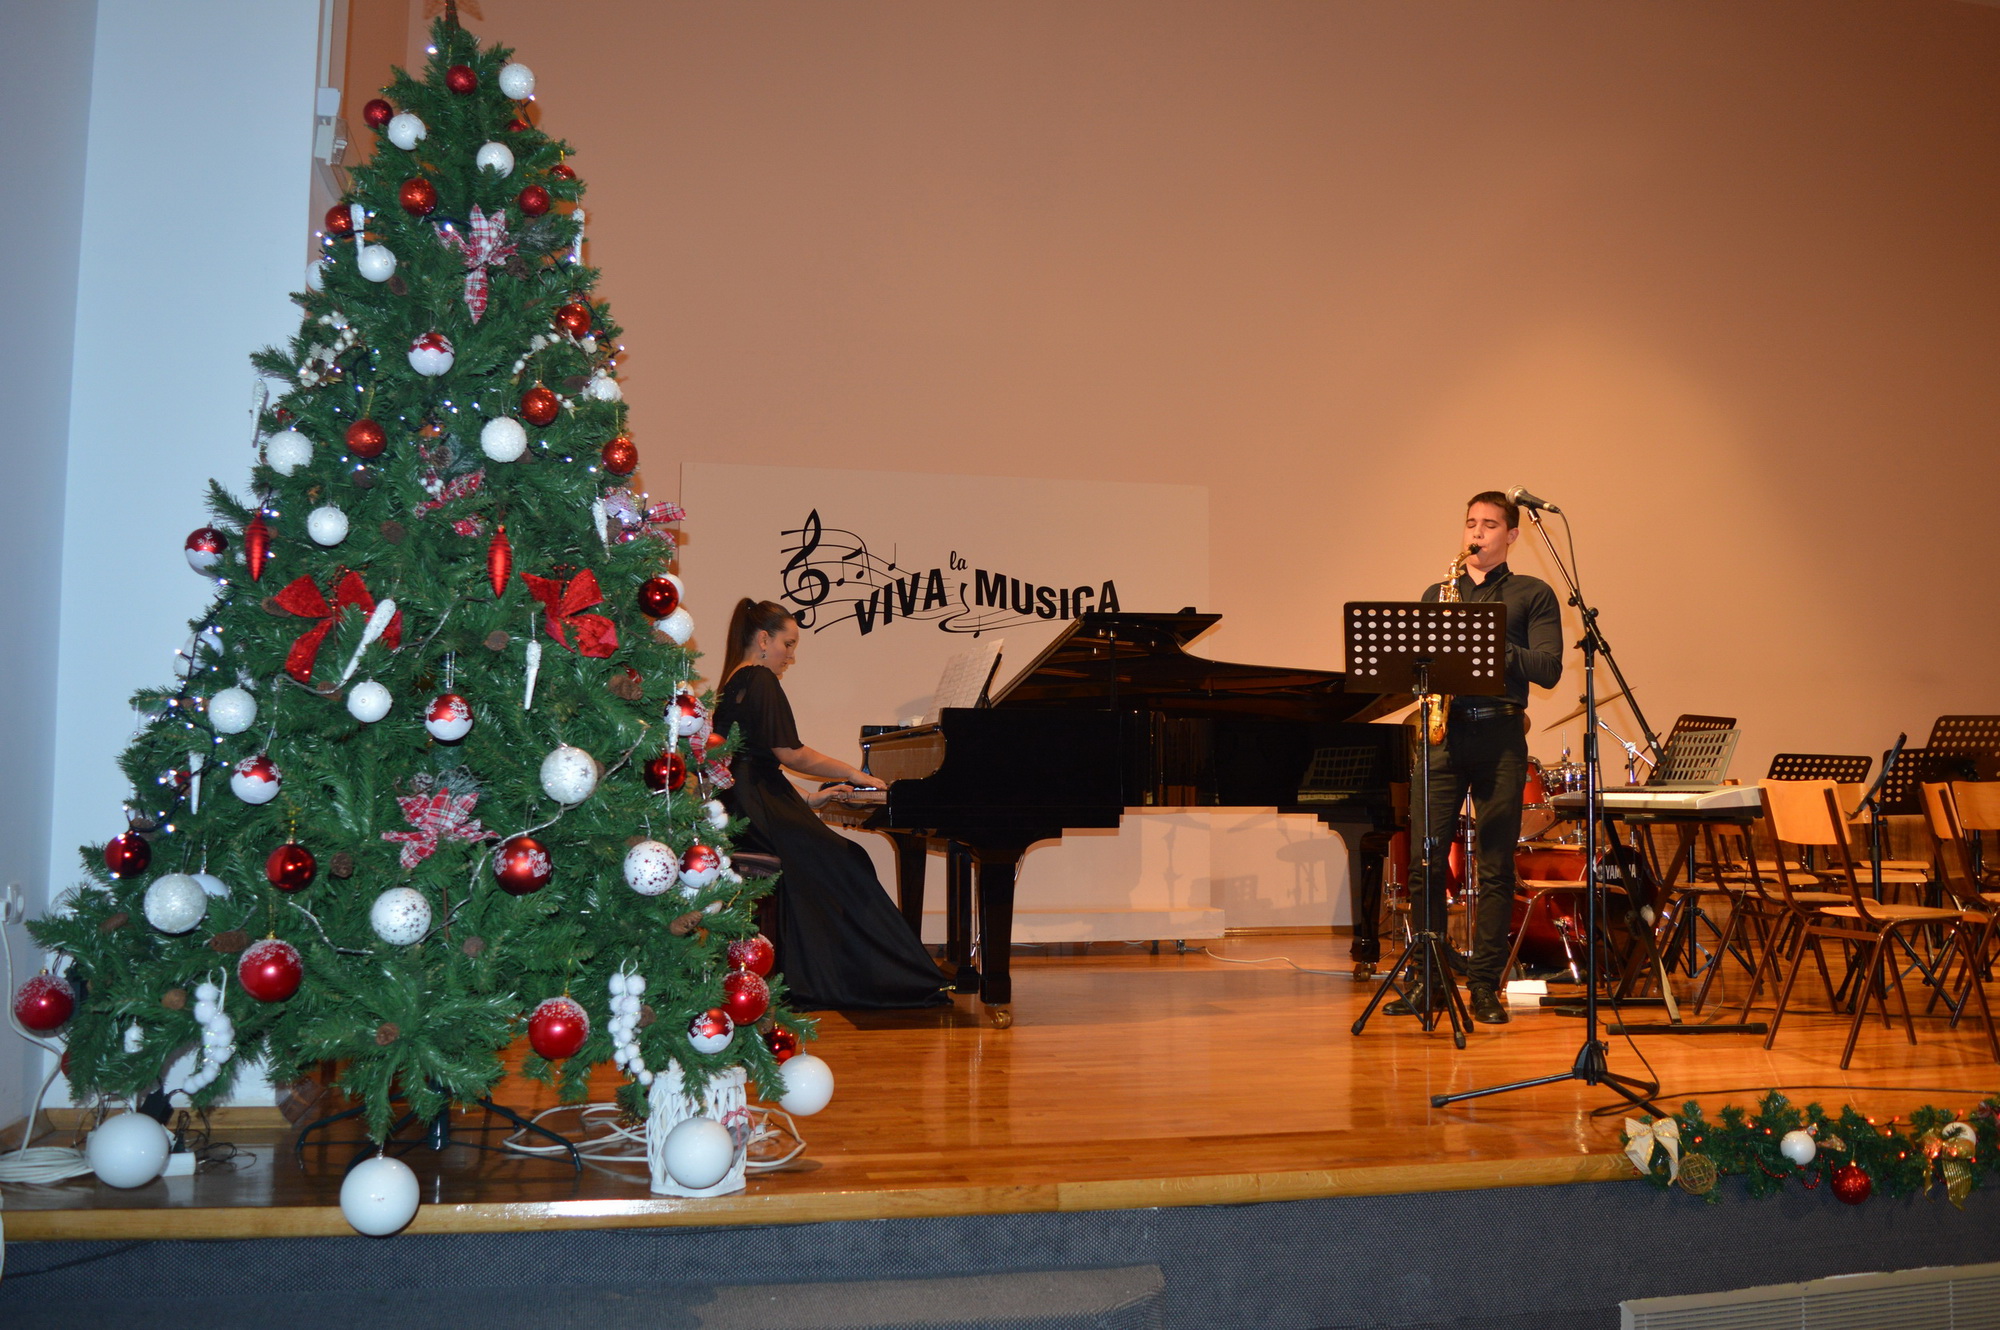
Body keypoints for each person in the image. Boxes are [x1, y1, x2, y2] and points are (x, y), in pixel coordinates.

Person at [712, 598, 949, 1010]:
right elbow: (792, 754)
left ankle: (828, 970)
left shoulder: (732, 681)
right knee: (849, 860)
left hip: (742, 806)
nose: (790, 656)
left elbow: (752, 761)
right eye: (788, 644)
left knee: (844, 858)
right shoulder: (760, 678)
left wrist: (809, 798)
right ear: (764, 640)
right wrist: (855, 773)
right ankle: (873, 978)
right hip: (758, 810)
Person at [1386, 491, 1564, 1027]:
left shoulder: (1533, 593)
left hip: (1500, 736)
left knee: (1494, 865)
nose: (1477, 533)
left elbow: (1549, 668)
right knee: (1424, 861)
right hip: (1443, 735)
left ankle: (1485, 985)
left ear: (1512, 536)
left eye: (1489, 524)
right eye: (1470, 523)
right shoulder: (1438, 594)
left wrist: (1487, 643)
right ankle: (1429, 980)